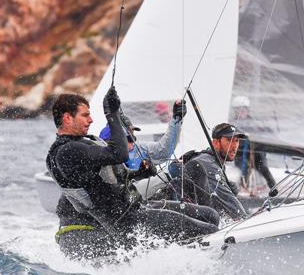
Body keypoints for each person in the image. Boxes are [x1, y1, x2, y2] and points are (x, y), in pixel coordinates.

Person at [46, 89, 219, 260]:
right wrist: (111, 114)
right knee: (209, 230)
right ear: (67, 118)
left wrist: (140, 173)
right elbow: (118, 154)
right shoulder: (66, 151)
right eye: (85, 115)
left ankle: (196, 252)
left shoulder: (79, 144)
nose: (91, 120)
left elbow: (114, 178)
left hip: (134, 207)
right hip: (126, 222)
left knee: (211, 215)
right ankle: (211, 261)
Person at [178, 123, 248, 220]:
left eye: (236, 141)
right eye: (229, 140)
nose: (234, 146)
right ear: (215, 143)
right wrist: (245, 220)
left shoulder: (212, 160)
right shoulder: (208, 164)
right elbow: (231, 205)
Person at [98, 100, 186, 174]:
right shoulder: (107, 135)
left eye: (133, 136)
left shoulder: (140, 148)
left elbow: (164, 150)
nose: (133, 140)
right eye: (129, 137)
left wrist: (177, 119)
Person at [230, 95, 278, 193]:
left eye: (244, 110)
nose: (242, 112)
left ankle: (274, 189)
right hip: (240, 154)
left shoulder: (253, 123)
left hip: (255, 153)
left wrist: (268, 130)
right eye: (239, 110)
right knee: (246, 167)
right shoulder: (232, 125)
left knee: (263, 168)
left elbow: (262, 132)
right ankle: (243, 189)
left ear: (247, 110)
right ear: (235, 111)